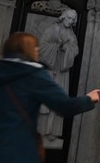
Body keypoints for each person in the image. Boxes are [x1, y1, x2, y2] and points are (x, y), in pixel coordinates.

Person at [0, 32, 100, 162]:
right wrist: (88, 99)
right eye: (37, 49)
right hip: (14, 152)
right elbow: (64, 106)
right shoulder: (33, 74)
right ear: (31, 51)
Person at [37, 8, 81, 141]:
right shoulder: (52, 29)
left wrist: (68, 49)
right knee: (46, 100)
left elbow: (75, 50)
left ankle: (52, 131)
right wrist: (57, 46)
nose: (71, 21)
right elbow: (42, 46)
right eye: (69, 18)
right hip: (49, 70)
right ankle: (39, 130)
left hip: (62, 72)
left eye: (73, 19)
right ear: (63, 17)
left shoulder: (72, 35)